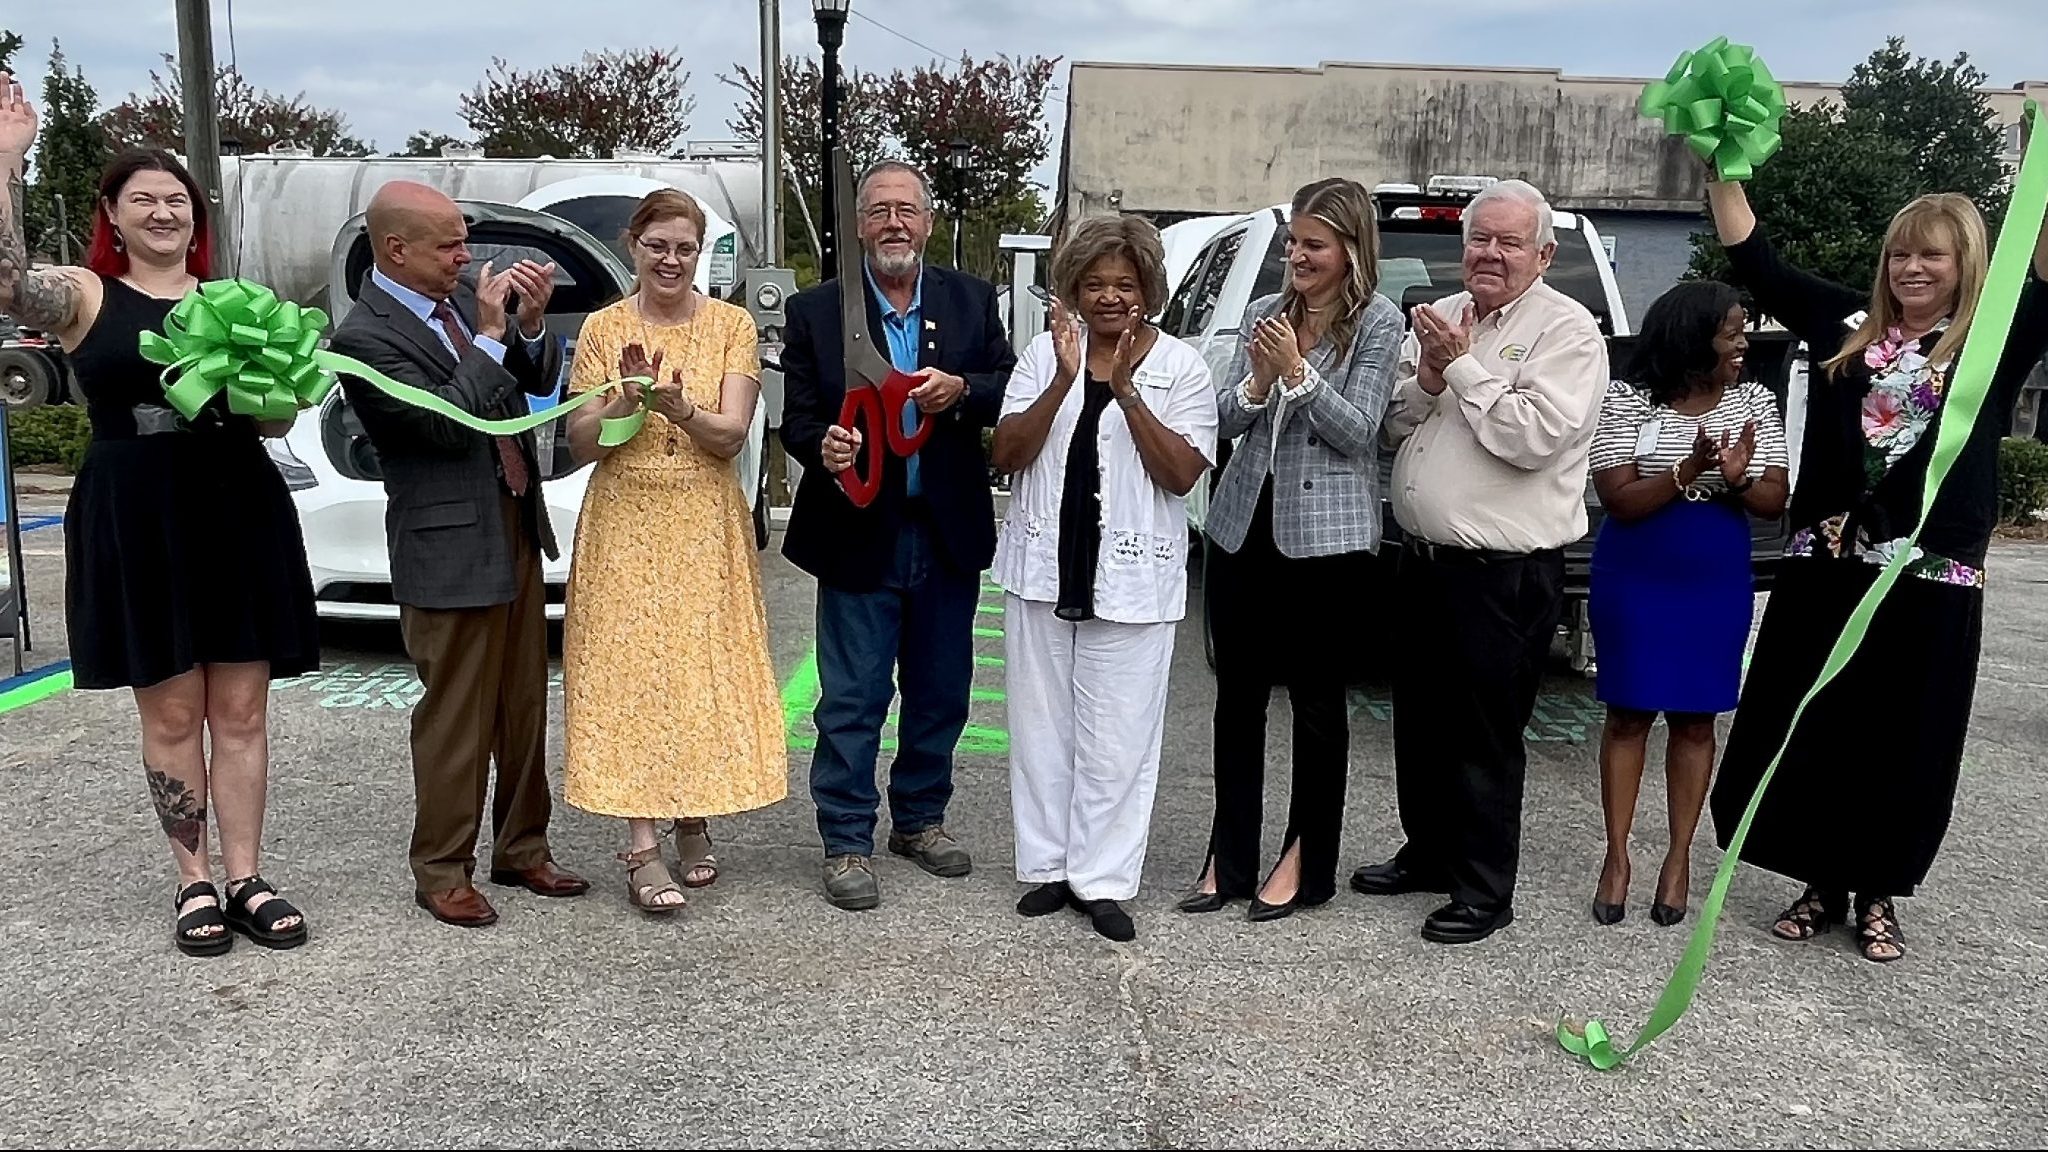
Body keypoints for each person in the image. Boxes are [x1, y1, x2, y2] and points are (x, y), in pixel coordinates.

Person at [1701, 154, 2048, 962]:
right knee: (1817, 722)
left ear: (1965, 264)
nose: (1912, 267)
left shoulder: (1994, 340)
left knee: (1906, 735)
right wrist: (1722, 164)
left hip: (1930, 575)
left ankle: (1880, 891)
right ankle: (1821, 879)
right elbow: (1756, 258)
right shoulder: (1843, 325)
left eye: (1932, 254)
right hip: (1830, 563)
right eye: (1901, 252)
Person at [0, 84, 319, 956]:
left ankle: (248, 876)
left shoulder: (236, 300)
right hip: (138, 516)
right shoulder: (84, 296)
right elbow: (3, 281)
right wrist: (7, 160)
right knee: (173, 712)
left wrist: (272, 398)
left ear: (196, 216)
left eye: (177, 198)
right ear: (111, 213)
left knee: (243, 709)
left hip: (235, 509)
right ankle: (194, 882)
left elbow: (276, 420)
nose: (163, 210)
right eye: (142, 198)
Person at [1349, 178, 1609, 945]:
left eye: (1509, 242)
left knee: (1484, 735)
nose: (1489, 254)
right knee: (1421, 724)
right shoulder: (1445, 317)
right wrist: (1428, 375)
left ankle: (1484, 889)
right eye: (1479, 240)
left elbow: (1534, 438)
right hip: (1424, 558)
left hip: (1503, 571)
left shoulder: (1568, 332)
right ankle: (1428, 854)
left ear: (1544, 253)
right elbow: (1393, 425)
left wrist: (1460, 369)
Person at [328, 180, 588, 928]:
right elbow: (445, 424)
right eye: (448, 245)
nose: (466, 257)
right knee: (456, 718)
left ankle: (522, 849)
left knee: (521, 704)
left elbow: (520, 391)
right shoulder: (365, 337)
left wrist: (530, 329)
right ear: (395, 249)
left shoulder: (456, 310)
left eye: (463, 242)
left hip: (510, 527)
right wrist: (490, 335)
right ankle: (442, 868)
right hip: (444, 547)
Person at [778, 160, 1017, 911]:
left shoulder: (972, 302)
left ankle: (919, 819)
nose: (893, 223)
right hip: (857, 530)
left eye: (905, 210)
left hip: (944, 531)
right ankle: (846, 838)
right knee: (850, 696)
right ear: (858, 226)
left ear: (928, 221)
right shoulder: (817, 310)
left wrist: (963, 392)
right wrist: (824, 447)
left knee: (942, 691)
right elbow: (801, 414)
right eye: (878, 210)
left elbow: (1013, 385)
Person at [1177, 177, 1405, 922]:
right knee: (1236, 702)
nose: (1297, 255)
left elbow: (1359, 430)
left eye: (1313, 243)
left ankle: (1307, 861)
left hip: (1327, 543)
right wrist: (1257, 380)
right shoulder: (1264, 313)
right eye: (1293, 242)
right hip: (1246, 524)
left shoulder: (1377, 323)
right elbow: (1221, 418)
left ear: (1349, 249)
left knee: (1315, 704)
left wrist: (1300, 375)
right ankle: (1229, 856)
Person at [989, 215, 1217, 942]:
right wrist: (1063, 380)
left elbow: (1181, 473)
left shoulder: (1181, 367)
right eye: (1095, 284)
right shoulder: (1042, 354)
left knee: (1119, 738)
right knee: (1042, 728)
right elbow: (1007, 452)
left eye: (1124, 284)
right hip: (1044, 568)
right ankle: (1052, 867)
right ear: (1074, 291)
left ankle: (1104, 880)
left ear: (1148, 288)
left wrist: (1128, 393)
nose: (1110, 297)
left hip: (1131, 580)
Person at [559, 190, 786, 913]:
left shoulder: (732, 325)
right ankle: (642, 844)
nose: (671, 259)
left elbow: (732, 435)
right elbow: (580, 442)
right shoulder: (602, 328)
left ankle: (694, 814)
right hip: (625, 514)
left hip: (701, 516)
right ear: (634, 246)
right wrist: (626, 402)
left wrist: (676, 406)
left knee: (696, 669)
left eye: (685, 247)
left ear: (700, 253)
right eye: (658, 245)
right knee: (630, 676)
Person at [1584, 280, 1789, 927]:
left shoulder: (1753, 399)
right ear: (1693, 335)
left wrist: (1739, 478)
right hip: (1636, 571)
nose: (1743, 343)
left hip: (1712, 576)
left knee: (1697, 721)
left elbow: (1774, 501)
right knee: (1628, 716)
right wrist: (1686, 471)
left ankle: (1678, 858)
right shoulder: (1628, 398)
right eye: (1732, 331)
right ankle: (1616, 857)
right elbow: (1618, 498)